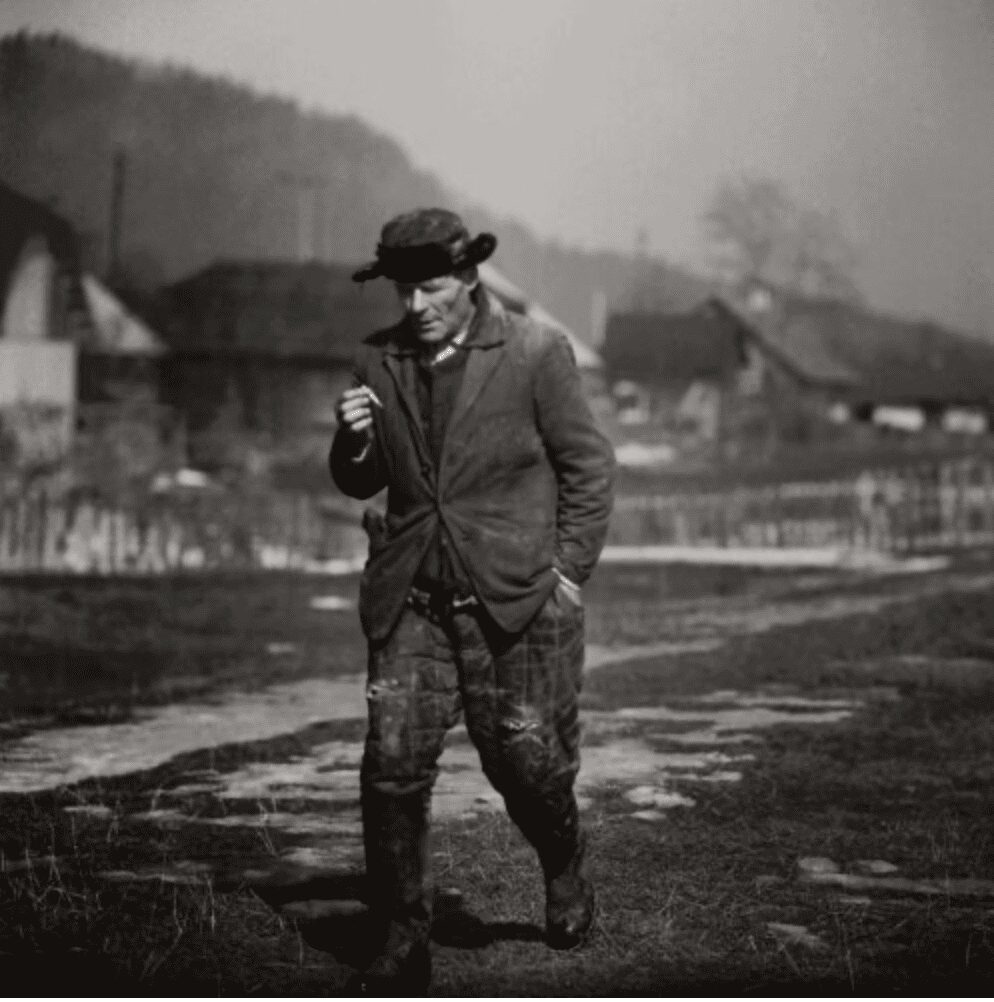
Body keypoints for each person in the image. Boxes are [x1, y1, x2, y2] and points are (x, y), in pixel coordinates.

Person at [329, 207, 615, 994]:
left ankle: (563, 869)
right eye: (403, 294)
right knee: (390, 767)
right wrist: (352, 439)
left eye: (429, 291)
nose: (414, 308)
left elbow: (588, 467)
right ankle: (400, 933)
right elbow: (363, 477)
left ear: (466, 280)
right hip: (411, 597)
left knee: (524, 762)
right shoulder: (376, 361)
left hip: (515, 602)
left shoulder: (534, 352)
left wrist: (567, 572)